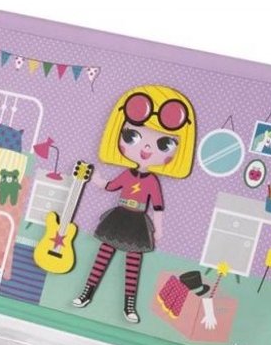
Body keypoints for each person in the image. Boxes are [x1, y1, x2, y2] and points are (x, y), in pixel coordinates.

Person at [72, 85, 196, 323]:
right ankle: (87, 292)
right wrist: (94, 178)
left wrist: (159, 229)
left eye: (163, 144)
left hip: (138, 220)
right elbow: (110, 186)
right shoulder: (127, 174)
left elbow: (158, 206)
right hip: (120, 216)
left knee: (133, 261)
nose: (147, 148)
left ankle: (129, 305)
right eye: (132, 137)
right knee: (103, 253)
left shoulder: (152, 181)